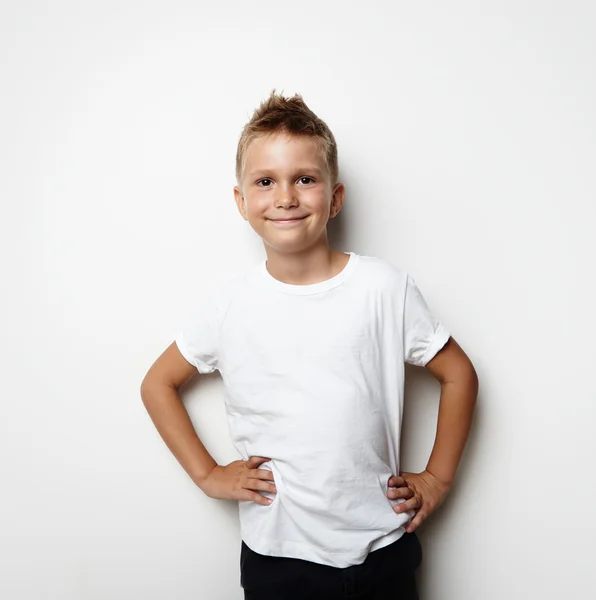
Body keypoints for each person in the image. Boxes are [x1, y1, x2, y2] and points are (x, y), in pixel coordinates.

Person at [140, 89, 479, 600]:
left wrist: (438, 478)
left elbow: (460, 374)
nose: (285, 197)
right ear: (241, 201)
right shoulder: (229, 305)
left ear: (335, 197)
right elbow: (157, 383)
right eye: (265, 181)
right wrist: (208, 474)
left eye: (304, 178)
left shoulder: (384, 289)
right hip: (277, 557)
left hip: (382, 545)